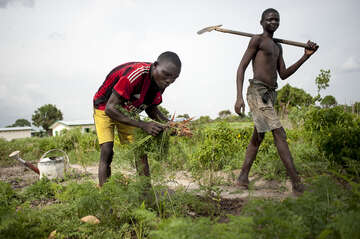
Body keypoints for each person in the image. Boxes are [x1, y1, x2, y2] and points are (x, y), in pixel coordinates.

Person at [234, 8, 318, 193]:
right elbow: (241, 67)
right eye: (270, 19)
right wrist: (239, 96)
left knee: (259, 135)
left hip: (270, 94)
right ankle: (296, 183)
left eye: (277, 19)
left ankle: (242, 178)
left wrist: (305, 56)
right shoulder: (257, 40)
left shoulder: (278, 46)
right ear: (262, 22)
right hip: (257, 92)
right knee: (279, 133)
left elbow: (284, 74)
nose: (274, 22)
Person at [93, 51, 181, 186]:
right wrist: (143, 125)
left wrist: (170, 125)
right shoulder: (136, 74)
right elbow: (110, 108)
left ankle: (145, 194)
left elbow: (151, 108)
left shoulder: (160, 83)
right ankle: (105, 195)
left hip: (127, 109)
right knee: (107, 150)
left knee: (140, 151)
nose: (169, 80)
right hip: (105, 106)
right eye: (166, 74)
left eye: (174, 78)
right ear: (156, 65)